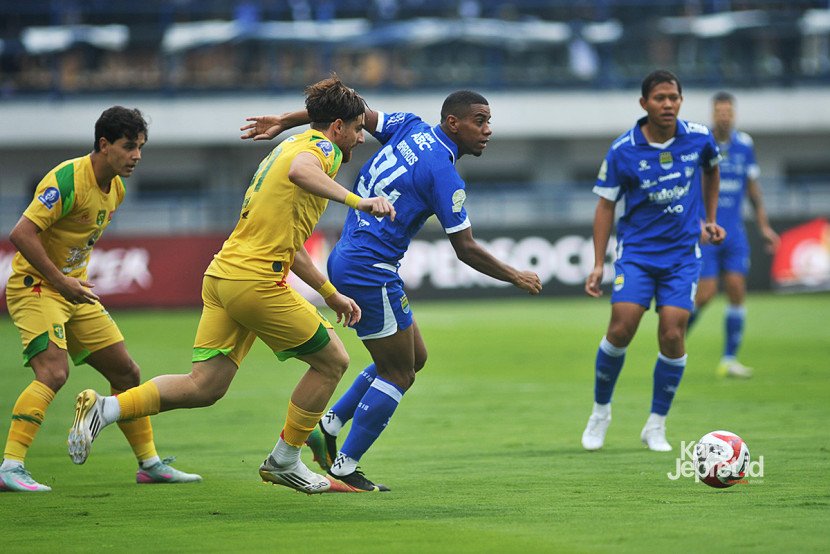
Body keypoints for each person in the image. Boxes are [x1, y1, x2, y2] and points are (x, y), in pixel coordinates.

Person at [67, 76, 395, 494]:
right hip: (255, 280)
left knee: (204, 386)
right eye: (357, 129)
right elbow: (303, 172)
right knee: (332, 361)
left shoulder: (287, 146)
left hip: (224, 275)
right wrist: (359, 201)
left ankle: (106, 409)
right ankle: (285, 459)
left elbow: (290, 245)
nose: (361, 138)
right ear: (336, 127)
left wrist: (330, 294)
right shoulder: (322, 150)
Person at [241, 90, 542, 491]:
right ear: (453, 123)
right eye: (480, 121)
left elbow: (347, 111)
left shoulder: (409, 125)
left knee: (415, 357)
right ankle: (345, 465)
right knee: (398, 372)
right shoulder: (444, 175)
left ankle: (329, 425)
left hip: (351, 255)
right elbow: (465, 248)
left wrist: (286, 119)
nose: (488, 130)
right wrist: (515, 275)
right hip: (370, 271)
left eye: (488, 122)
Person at [0, 106, 201, 493]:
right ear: (104, 144)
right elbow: (21, 233)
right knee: (53, 373)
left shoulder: (117, 189)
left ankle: (150, 465)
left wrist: (70, 281)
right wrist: (60, 279)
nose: (136, 156)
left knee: (126, 374)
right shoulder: (67, 179)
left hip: (74, 290)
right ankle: (10, 466)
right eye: (129, 147)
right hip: (37, 286)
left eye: (140, 147)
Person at [581, 69, 726, 453]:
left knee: (674, 334)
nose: (667, 104)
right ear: (644, 103)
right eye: (660, 98)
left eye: (673, 98)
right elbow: (605, 206)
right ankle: (600, 412)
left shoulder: (700, 137)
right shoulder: (623, 149)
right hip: (638, 255)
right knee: (621, 328)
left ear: (681, 101)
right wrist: (598, 263)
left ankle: (656, 424)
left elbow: (712, 170)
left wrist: (710, 219)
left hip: (682, 256)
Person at [687, 92, 780, 378]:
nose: (724, 117)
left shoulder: (744, 145)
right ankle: (673, 339)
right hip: (707, 233)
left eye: (728, 112)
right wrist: (696, 223)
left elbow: (753, 191)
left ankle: (729, 360)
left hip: (734, 233)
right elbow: (687, 186)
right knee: (705, 295)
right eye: (719, 112)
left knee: (737, 291)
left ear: (734, 114)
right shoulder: (701, 143)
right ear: (713, 114)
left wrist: (764, 227)